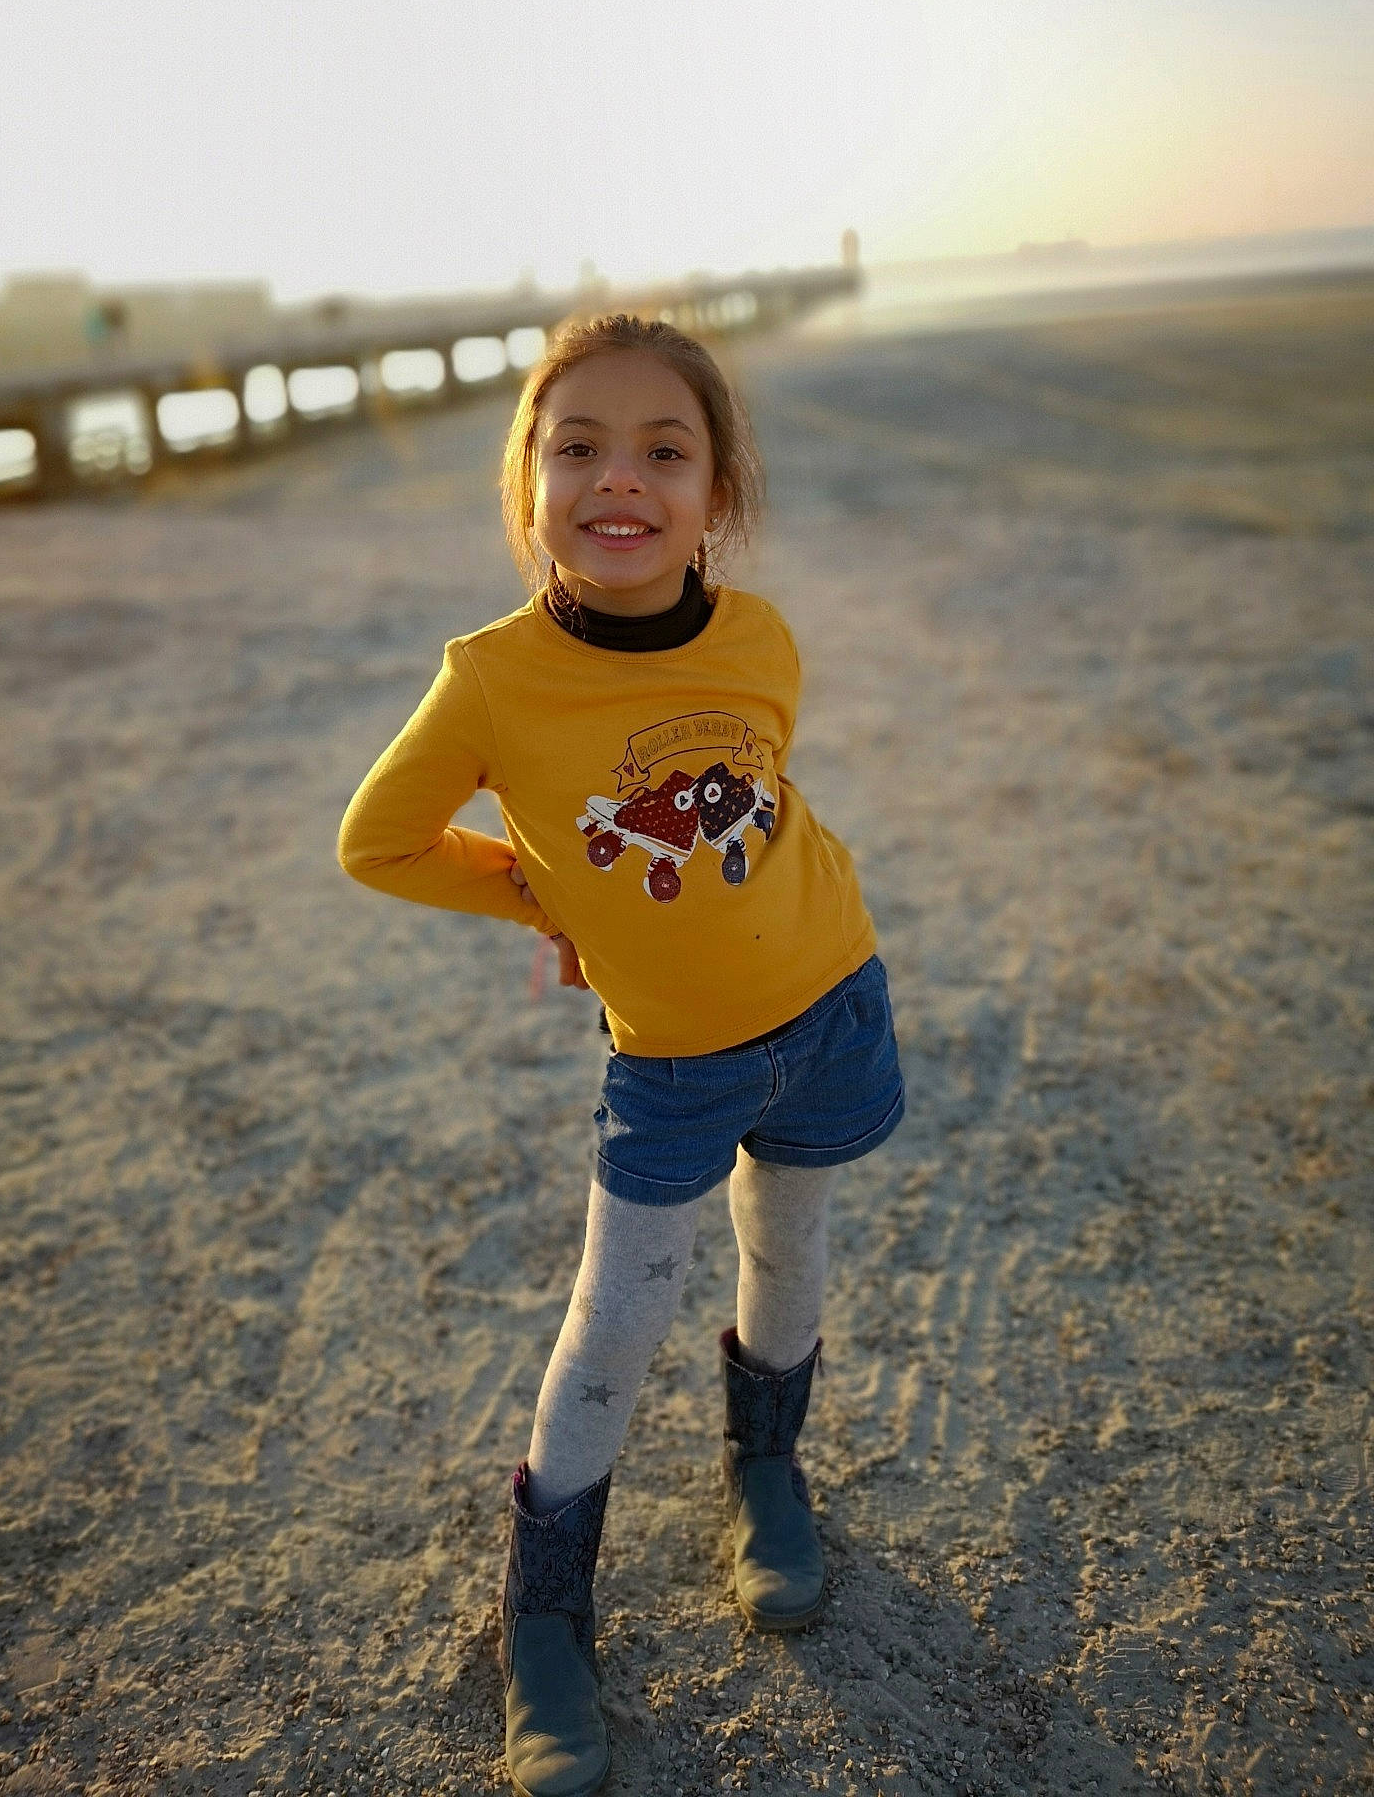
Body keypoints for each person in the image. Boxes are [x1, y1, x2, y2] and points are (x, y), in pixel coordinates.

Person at [338, 314, 905, 1797]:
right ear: (528, 486)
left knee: (789, 1260)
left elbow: (765, 801)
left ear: (718, 492)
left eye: (666, 449)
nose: (620, 480)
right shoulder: (490, 679)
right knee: (613, 1324)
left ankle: (766, 1474)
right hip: (669, 1067)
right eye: (576, 446)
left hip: (833, 1003)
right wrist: (547, 887)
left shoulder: (766, 641)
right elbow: (379, 842)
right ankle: (544, 1615)